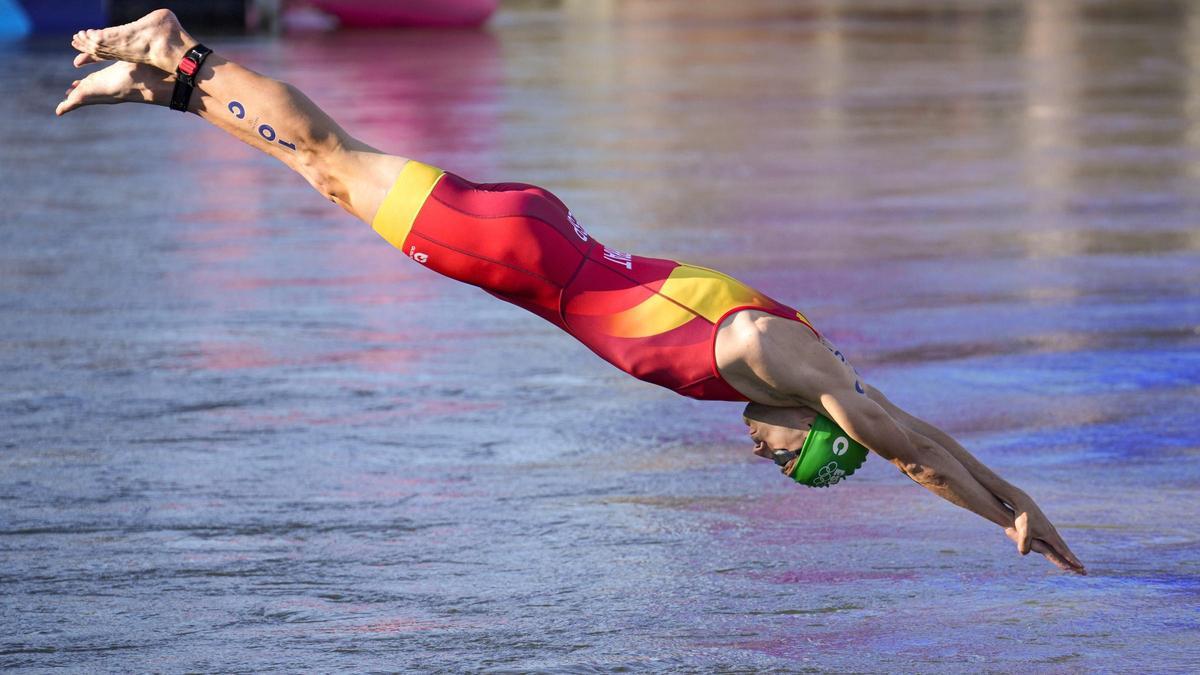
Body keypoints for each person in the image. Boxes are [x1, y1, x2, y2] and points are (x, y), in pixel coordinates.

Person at [57, 10, 1085, 574]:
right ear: (811, 430)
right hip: (517, 256)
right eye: (785, 463)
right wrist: (999, 509)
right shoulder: (770, 358)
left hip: (540, 243)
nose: (759, 457)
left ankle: (171, 87)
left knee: (333, 171)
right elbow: (909, 450)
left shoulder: (792, 362)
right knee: (330, 161)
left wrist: (1018, 506)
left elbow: (910, 430)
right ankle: (176, 53)